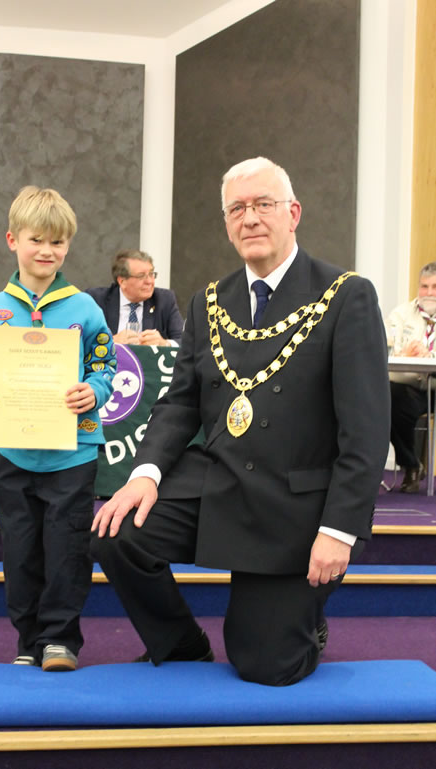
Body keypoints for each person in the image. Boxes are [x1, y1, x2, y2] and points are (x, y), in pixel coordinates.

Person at [91, 156, 390, 687]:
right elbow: (180, 403)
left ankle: (303, 620)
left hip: (297, 504)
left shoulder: (346, 295)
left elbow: (365, 430)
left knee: (266, 665)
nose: (250, 218)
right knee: (118, 532)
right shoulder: (209, 301)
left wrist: (339, 530)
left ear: (293, 213)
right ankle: (180, 645)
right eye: (237, 209)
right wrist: (144, 475)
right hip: (221, 478)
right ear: (227, 224)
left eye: (263, 205)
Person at [0, 186, 116, 672]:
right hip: (14, 450)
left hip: (73, 452)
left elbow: (105, 366)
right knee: (21, 550)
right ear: (12, 240)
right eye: (36, 240)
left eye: (57, 242)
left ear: (68, 246)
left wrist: (94, 391)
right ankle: (28, 639)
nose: (47, 251)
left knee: (68, 549)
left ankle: (60, 640)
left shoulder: (86, 309)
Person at [385, 262, 436, 493]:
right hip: (411, 386)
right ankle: (411, 465)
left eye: (434, 287)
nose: (429, 293)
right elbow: (386, 350)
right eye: (424, 286)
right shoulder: (401, 314)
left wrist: (429, 355)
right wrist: (403, 353)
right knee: (385, 398)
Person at [86, 249, 184, 346]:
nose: (149, 281)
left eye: (151, 274)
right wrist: (111, 341)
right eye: (141, 276)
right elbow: (82, 340)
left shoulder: (164, 300)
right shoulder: (96, 299)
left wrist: (165, 343)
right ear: (122, 281)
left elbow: (184, 341)